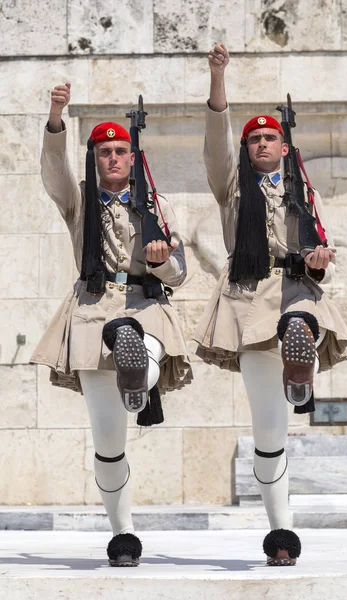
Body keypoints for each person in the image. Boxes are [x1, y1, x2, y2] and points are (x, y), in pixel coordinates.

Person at [194, 45, 347, 566]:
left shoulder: (303, 190)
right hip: (248, 301)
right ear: (249, 149)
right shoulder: (230, 186)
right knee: (269, 429)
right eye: (254, 139)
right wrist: (218, 78)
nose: (262, 143)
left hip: (296, 293)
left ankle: (299, 363)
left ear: (284, 147)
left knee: (300, 320)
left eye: (269, 138)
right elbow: (217, 139)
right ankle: (280, 530)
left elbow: (321, 253)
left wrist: (322, 258)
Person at [31, 82, 192, 567]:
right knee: (108, 440)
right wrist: (57, 118)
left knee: (139, 346)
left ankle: (139, 376)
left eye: (122, 151)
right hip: (94, 310)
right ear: (95, 158)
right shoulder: (79, 201)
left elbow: (180, 274)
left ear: (133, 158)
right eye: (105, 152)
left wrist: (162, 261)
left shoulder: (157, 207)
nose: (115, 159)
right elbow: (53, 172)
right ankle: (123, 534)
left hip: (146, 309)